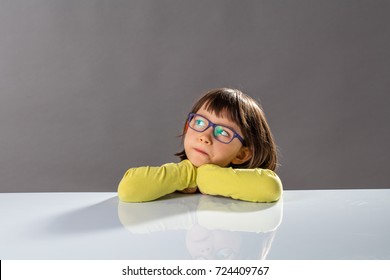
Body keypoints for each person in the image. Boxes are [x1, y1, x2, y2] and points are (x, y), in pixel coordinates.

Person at [118, 88, 282, 203]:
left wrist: (206, 176)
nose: (205, 136)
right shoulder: (179, 176)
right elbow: (128, 189)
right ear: (187, 127)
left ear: (242, 154)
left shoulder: (248, 183)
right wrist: (187, 173)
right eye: (200, 122)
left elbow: (270, 187)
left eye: (223, 132)